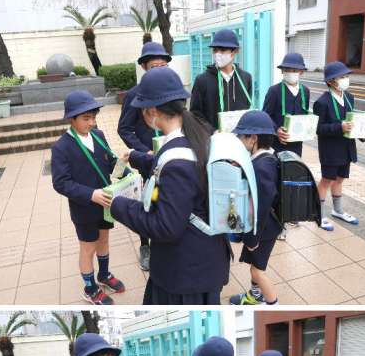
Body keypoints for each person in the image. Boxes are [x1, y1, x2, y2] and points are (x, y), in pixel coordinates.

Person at [105, 66, 231, 305]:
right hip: (204, 259)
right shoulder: (199, 131)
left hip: (186, 274)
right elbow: (177, 165)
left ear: (152, 111)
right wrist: (136, 157)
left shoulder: (178, 162)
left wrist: (118, 205)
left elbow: (165, 226)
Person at [51, 90, 125, 305]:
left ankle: (104, 274)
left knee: (104, 239)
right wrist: (91, 194)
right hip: (83, 207)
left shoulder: (98, 135)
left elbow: (110, 163)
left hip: (106, 202)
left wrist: (125, 169)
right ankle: (90, 288)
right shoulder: (61, 147)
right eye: (86, 118)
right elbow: (61, 183)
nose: (92, 122)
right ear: (71, 119)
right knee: (88, 247)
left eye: (93, 117)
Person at [117, 42, 172, 271]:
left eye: (162, 66)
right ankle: (145, 245)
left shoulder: (171, 90)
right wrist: (142, 151)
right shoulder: (134, 94)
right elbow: (124, 128)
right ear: (144, 67)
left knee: (168, 197)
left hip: (171, 155)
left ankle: (167, 238)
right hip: (148, 160)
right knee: (147, 200)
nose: (158, 70)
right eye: (153, 67)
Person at [229, 111, 282, 306]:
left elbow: (260, 208)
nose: (239, 140)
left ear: (253, 138)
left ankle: (273, 305)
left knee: (257, 271)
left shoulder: (262, 167)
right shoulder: (267, 157)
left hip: (263, 230)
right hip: (266, 227)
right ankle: (255, 296)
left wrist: (252, 239)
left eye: (241, 136)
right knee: (254, 265)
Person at [263, 52, 310, 240]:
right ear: (282, 71)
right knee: (279, 182)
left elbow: (305, 117)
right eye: (287, 69)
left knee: (293, 179)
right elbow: (265, 116)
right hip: (278, 146)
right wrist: (276, 130)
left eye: (295, 70)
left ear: (301, 72)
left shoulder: (305, 91)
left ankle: (290, 214)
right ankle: (278, 223)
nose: (291, 72)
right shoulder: (274, 91)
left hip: (296, 146)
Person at [313, 61, 359, 231]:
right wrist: (339, 127)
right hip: (330, 150)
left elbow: (353, 120)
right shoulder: (322, 102)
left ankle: (338, 210)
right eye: (342, 77)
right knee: (327, 180)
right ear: (331, 81)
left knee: (340, 179)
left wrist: (362, 131)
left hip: (347, 147)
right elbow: (318, 129)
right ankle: (319, 214)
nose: (346, 79)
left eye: (346, 76)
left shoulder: (349, 97)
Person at [190, 29, 253, 130]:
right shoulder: (202, 80)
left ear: (235, 51)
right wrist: (212, 132)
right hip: (212, 137)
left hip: (239, 137)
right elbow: (195, 114)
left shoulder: (246, 78)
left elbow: (247, 109)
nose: (218, 54)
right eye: (215, 50)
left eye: (223, 50)